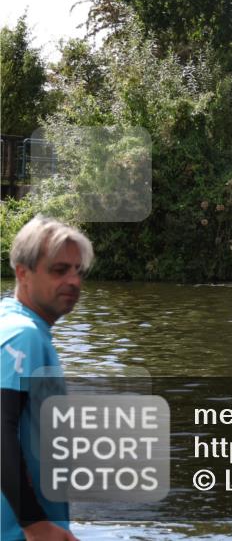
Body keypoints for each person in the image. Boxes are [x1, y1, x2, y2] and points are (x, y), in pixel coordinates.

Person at [2, 216, 94, 541]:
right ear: (22, 273)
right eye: (59, 270)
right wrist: (34, 524)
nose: (73, 281)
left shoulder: (12, 321)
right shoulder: (22, 336)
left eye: (78, 271)